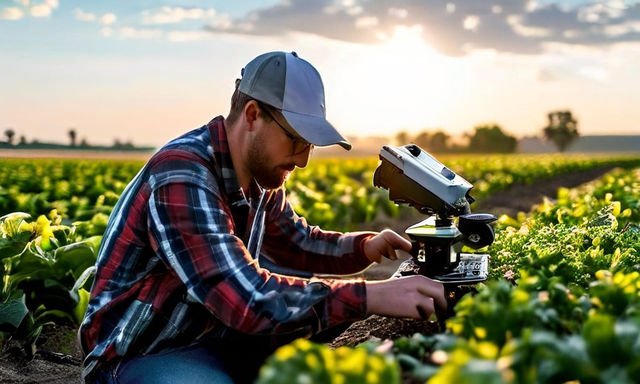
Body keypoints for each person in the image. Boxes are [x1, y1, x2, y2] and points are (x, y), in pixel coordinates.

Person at [79, 51, 446, 384]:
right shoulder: (182, 174)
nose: (302, 159)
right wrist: (371, 295)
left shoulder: (259, 179)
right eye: (296, 141)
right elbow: (247, 300)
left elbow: (297, 242)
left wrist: (366, 246)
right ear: (253, 115)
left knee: (335, 338)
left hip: (215, 335)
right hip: (143, 353)